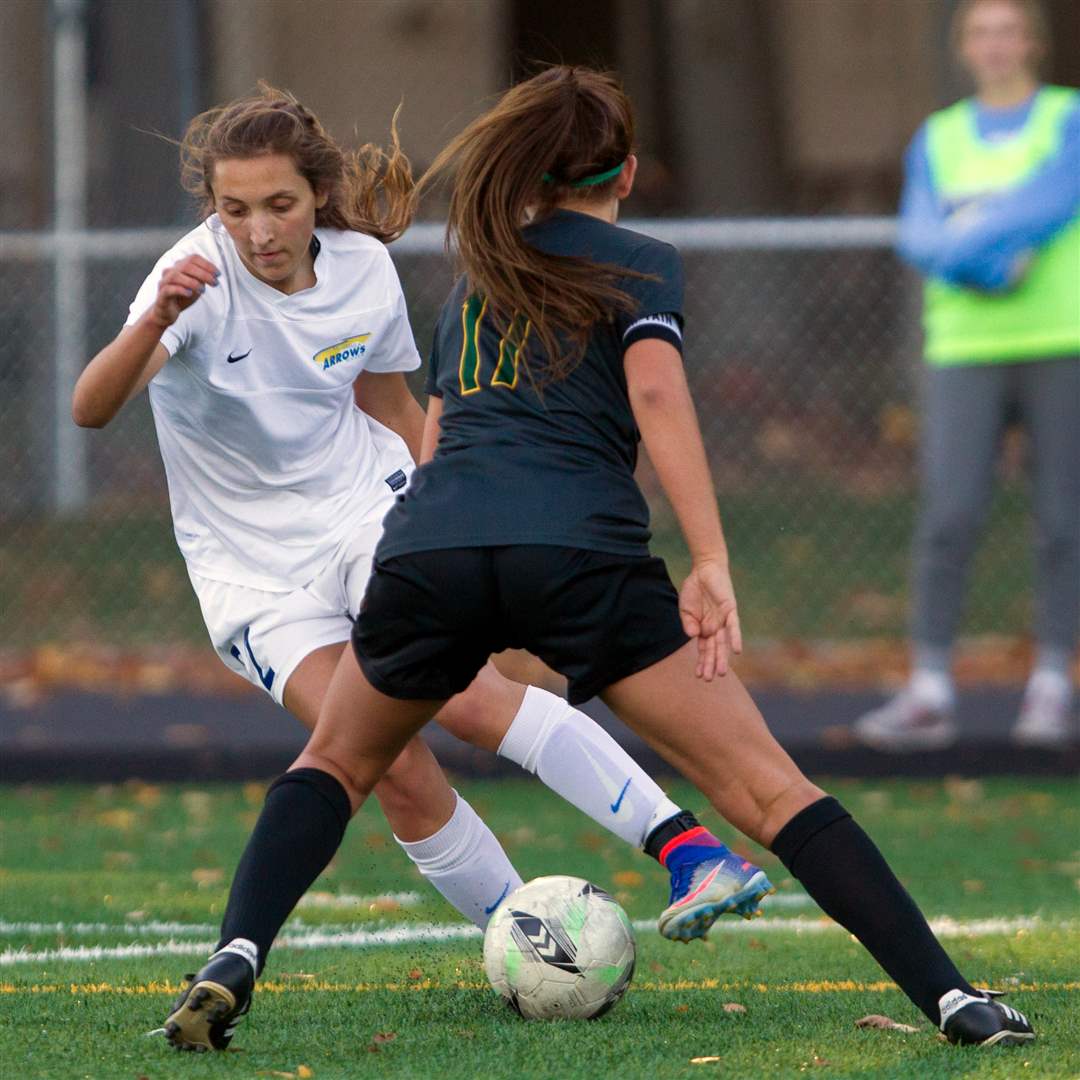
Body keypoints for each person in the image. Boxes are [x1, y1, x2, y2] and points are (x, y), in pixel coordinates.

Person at [160, 68, 1035, 1051]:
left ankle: (235, 954)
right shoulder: (640, 262)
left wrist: (448, 579)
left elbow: (438, 447)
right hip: (579, 557)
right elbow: (657, 397)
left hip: (432, 548)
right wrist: (710, 559)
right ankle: (954, 1001)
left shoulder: (479, 277)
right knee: (770, 791)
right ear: (626, 172)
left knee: (336, 762)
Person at [72, 83, 773, 971]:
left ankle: (690, 851)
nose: (258, 231)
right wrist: (157, 319)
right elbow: (91, 407)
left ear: (318, 195)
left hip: (368, 513)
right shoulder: (190, 280)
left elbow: (394, 406)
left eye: (280, 204)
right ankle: (534, 948)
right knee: (389, 763)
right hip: (251, 574)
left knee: (472, 700)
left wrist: (461, 521)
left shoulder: (363, 267)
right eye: (234, 209)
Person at [855, 0, 1079, 752]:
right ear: (964, 47)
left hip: (1059, 339)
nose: (996, 45)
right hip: (962, 348)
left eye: (1009, 30)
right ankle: (929, 690)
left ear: (1034, 43)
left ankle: (1051, 685)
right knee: (948, 516)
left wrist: (967, 238)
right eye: (982, 32)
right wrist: (987, 264)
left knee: (1063, 520)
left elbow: (1052, 203)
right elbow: (920, 237)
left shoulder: (1069, 118)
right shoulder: (939, 136)